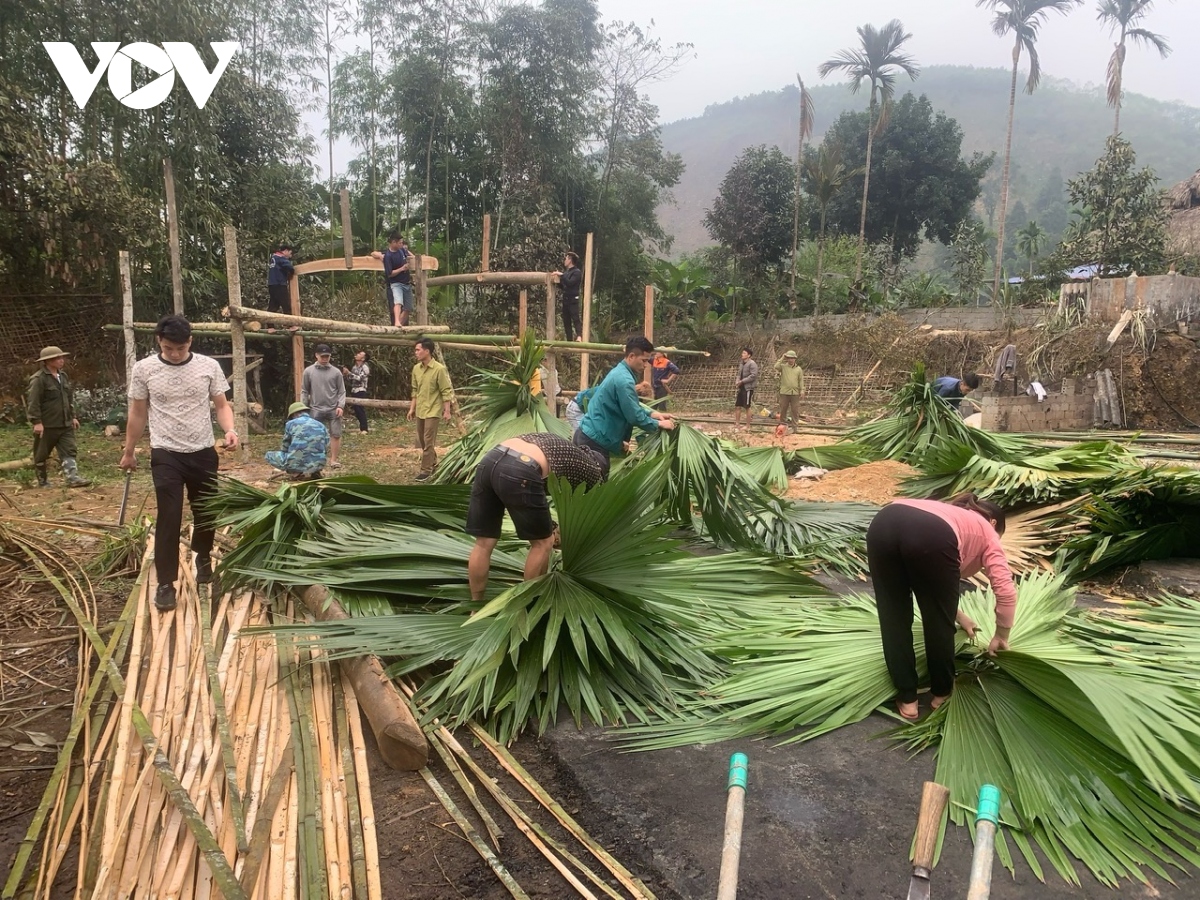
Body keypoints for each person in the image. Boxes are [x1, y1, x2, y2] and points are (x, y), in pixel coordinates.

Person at [120, 315, 238, 612]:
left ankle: (203, 556)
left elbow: (222, 405)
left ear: (191, 342)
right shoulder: (144, 369)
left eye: (181, 348)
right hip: (166, 453)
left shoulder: (208, 366)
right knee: (169, 516)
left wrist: (229, 430)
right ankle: (165, 584)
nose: (175, 354)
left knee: (205, 511)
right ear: (159, 341)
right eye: (169, 347)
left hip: (202, 451)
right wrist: (129, 450)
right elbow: (137, 413)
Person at [866, 493, 1017, 721]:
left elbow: (935, 593)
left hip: (883, 522)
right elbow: (1005, 590)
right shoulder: (988, 532)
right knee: (938, 623)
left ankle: (908, 699)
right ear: (994, 523)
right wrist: (1001, 634)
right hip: (933, 535)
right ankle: (941, 694)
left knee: (893, 616)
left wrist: (960, 616)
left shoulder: (946, 512)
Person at [466, 433, 607, 600]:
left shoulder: (565, 449)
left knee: (484, 543)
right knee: (542, 543)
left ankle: (475, 606)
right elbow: (579, 517)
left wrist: (551, 527)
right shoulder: (592, 474)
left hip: (491, 459)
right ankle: (528, 605)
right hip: (521, 467)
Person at [574, 336, 675, 465]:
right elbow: (634, 416)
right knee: (596, 483)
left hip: (588, 435)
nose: (645, 365)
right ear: (631, 356)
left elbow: (628, 406)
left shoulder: (619, 372)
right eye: (643, 361)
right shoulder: (625, 380)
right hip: (595, 441)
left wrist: (652, 414)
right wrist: (659, 424)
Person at [26, 345, 90, 488]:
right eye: (57, 358)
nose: (61, 360)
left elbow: (68, 398)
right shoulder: (39, 379)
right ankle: (42, 481)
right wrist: (37, 422)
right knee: (41, 454)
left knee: (69, 449)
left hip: (65, 423)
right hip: (48, 424)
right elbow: (33, 401)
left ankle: (73, 478)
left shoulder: (63, 376)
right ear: (48, 361)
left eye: (62, 357)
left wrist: (73, 416)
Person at [407, 337, 454, 480]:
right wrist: (411, 409)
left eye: (418, 350)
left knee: (428, 440)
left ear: (427, 351)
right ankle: (434, 463)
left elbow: (446, 391)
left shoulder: (439, 369)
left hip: (433, 410)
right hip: (421, 409)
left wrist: (447, 411)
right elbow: (415, 391)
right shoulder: (416, 369)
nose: (415, 353)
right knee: (422, 440)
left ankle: (425, 470)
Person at [301, 344, 346, 468]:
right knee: (313, 434)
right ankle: (314, 459)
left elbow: (342, 391)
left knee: (335, 434)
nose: (325, 358)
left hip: (333, 408)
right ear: (316, 355)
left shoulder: (336, 372)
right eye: (323, 356)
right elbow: (304, 390)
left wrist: (340, 406)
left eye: (327, 356)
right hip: (316, 408)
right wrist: (303, 408)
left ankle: (333, 460)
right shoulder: (308, 371)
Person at [265, 401, 329, 479]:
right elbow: (326, 445)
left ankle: (296, 473)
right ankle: (315, 471)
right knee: (311, 452)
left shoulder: (291, 424)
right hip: (319, 463)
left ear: (294, 414)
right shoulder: (321, 425)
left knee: (269, 455)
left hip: (297, 459)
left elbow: (285, 447)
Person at [371, 234, 413, 327]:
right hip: (395, 284)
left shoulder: (401, 250)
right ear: (394, 242)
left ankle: (397, 326)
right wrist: (380, 256)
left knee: (408, 308)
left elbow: (410, 255)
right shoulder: (388, 255)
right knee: (397, 303)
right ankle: (397, 323)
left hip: (406, 283)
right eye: (400, 243)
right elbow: (389, 273)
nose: (402, 245)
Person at [552, 251, 584, 342]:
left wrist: (561, 275)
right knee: (566, 321)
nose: (564, 260)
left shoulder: (577, 272)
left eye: (566, 258)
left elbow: (570, 283)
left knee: (575, 318)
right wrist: (557, 281)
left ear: (570, 260)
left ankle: (579, 336)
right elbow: (564, 286)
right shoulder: (567, 272)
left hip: (573, 299)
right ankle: (569, 340)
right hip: (566, 300)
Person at [773, 350, 806, 436]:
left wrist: (802, 390)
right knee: (783, 408)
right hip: (784, 392)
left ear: (795, 359)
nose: (791, 360)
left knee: (795, 410)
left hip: (795, 393)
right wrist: (782, 357)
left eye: (792, 358)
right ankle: (782, 424)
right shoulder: (783, 367)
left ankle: (794, 427)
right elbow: (776, 366)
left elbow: (801, 380)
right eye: (789, 358)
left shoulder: (798, 369)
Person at [342, 351, 371, 434]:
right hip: (354, 389)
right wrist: (346, 374)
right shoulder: (354, 367)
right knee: (356, 410)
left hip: (361, 390)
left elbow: (360, 378)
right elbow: (351, 379)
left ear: (363, 358)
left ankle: (364, 429)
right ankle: (362, 428)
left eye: (360, 354)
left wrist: (349, 373)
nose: (357, 354)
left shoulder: (365, 367)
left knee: (360, 409)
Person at [733, 348, 758, 430]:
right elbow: (738, 374)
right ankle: (737, 423)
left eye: (744, 353)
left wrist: (742, 381)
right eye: (742, 353)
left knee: (747, 406)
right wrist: (737, 381)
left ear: (749, 355)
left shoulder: (752, 364)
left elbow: (753, 376)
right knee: (737, 406)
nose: (742, 354)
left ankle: (748, 426)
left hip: (748, 388)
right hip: (741, 387)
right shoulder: (742, 363)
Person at [267, 244, 295, 314]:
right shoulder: (280, 257)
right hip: (279, 285)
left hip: (272, 285)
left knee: (273, 306)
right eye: (290, 253)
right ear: (285, 251)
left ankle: (270, 324)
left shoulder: (273, 257)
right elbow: (290, 267)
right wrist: (291, 273)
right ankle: (289, 324)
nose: (290, 256)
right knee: (287, 306)